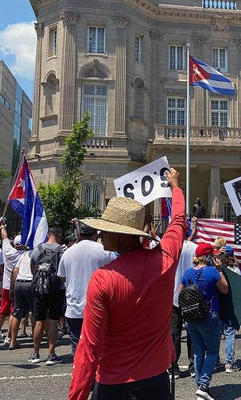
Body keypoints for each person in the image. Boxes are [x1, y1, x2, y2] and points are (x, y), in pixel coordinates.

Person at [68, 167, 185, 400]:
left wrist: (76, 397)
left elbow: (89, 348)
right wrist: (175, 187)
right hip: (156, 381)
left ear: (122, 236)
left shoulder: (103, 278)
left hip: (114, 384)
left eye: (106, 231)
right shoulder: (166, 260)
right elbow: (179, 221)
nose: (100, 235)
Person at [179, 243, 228, 399]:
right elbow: (224, 289)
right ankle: (204, 384)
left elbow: (180, 294)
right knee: (212, 351)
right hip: (209, 315)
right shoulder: (212, 272)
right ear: (209, 257)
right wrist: (220, 270)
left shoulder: (187, 273)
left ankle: (200, 386)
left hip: (191, 317)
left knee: (198, 352)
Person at [58, 223, 116, 356]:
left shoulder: (68, 252)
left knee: (79, 350)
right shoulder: (104, 251)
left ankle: (81, 374)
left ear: (79, 234)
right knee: (100, 348)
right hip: (99, 307)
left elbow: (62, 277)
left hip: (74, 308)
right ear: (95, 233)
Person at [29, 227, 66, 365]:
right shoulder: (62, 250)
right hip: (56, 289)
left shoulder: (37, 249)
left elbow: (32, 266)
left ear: (47, 235)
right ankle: (51, 354)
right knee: (53, 320)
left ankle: (35, 353)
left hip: (39, 288)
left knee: (39, 320)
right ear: (59, 235)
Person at [171, 217, 198, 379]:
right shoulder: (194, 248)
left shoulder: (171, 248)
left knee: (174, 332)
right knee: (192, 332)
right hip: (192, 295)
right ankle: (194, 365)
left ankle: (173, 367)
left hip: (174, 295)